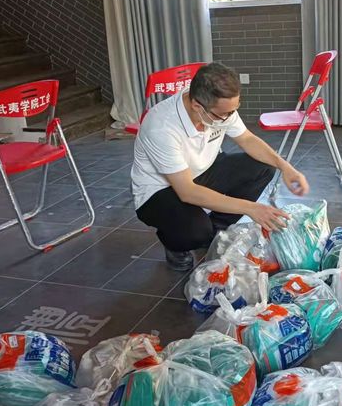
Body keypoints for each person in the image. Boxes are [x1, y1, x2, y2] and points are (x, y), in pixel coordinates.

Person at [132, 62, 310, 271]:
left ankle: (217, 231)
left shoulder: (220, 109)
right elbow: (187, 191)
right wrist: (251, 208)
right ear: (197, 106)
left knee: (263, 167)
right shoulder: (161, 126)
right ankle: (175, 244)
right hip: (161, 190)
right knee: (195, 233)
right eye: (224, 114)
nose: (230, 117)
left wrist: (285, 167)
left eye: (234, 110)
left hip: (201, 171)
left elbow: (247, 139)